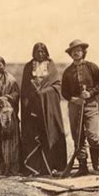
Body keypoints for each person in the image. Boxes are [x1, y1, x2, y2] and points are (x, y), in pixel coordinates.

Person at [62, 39, 99, 176]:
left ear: (83, 52)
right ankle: (83, 166)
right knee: (78, 137)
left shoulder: (91, 67)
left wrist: (90, 93)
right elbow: (64, 92)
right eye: (73, 51)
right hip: (74, 107)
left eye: (78, 50)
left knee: (92, 135)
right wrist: (74, 99)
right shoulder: (67, 72)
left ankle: (96, 164)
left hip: (90, 106)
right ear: (70, 54)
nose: (76, 53)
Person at [21, 43, 67, 175]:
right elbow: (25, 88)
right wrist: (32, 94)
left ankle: (51, 165)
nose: (40, 54)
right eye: (37, 51)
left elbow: (57, 86)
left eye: (42, 51)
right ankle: (34, 167)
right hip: (32, 107)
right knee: (33, 135)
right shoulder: (28, 67)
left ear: (46, 52)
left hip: (48, 108)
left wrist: (44, 92)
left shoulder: (51, 66)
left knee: (49, 133)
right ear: (33, 53)